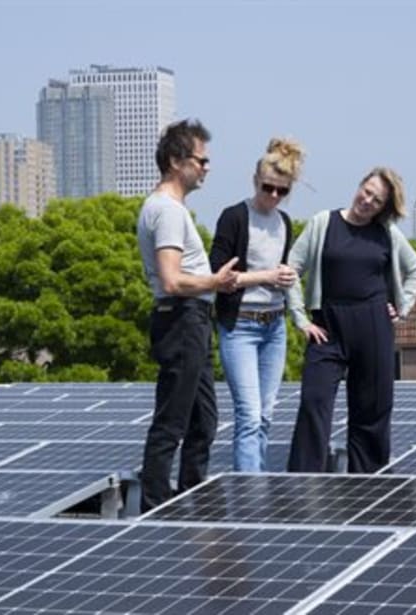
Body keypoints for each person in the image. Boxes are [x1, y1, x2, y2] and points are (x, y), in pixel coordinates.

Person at [285, 167, 416, 473]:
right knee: (314, 402)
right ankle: (303, 484)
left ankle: (367, 484)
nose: (367, 200)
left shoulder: (387, 233)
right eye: (367, 191)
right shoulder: (324, 223)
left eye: (377, 200)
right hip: (327, 328)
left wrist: (402, 306)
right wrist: (300, 318)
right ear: (359, 185)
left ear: (383, 208)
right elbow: (290, 270)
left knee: (372, 410)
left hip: (374, 326)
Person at [136, 118, 239, 512]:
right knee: (172, 422)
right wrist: (215, 281)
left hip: (190, 319)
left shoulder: (167, 208)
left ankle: (192, 495)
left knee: (203, 421)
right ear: (178, 161)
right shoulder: (168, 212)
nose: (207, 168)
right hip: (182, 319)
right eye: (202, 160)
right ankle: (156, 507)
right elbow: (172, 279)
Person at [210, 137, 303, 472]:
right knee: (248, 415)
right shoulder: (234, 217)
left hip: (274, 326)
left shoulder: (285, 223)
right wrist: (266, 276)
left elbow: (283, 274)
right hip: (240, 326)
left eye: (282, 191)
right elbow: (217, 277)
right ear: (255, 181)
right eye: (268, 188)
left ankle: (257, 483)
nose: (274, 196)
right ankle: (250, 496)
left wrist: (289, 286)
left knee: (265, 414)